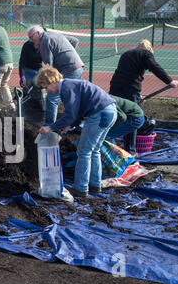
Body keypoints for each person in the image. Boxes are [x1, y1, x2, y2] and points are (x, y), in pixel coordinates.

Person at [36, 65, 117, 198]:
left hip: (99, 114)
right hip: (110, 111)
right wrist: (71, 126)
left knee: (84, 151)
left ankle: (81, 188)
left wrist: (51, 127)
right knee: (94, 150)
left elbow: (71, 114)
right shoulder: (70, 85)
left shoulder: (67, 88)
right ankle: (95, 185)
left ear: (53, 80)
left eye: (46, 87)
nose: (47, 91)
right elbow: (78, 111)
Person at [109, 39, 178, 155]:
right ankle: (130, 151)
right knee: (133, 117)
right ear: (149, 49)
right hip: (130, 89)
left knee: (117, 114)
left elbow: (127, 73)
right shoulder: (146, 53)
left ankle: (111, 143)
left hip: (116, 86)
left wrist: (137, 95)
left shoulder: (127, 53)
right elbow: (155, 67)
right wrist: (169, 81)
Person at [27, 25, 84, 126]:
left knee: (52, 98)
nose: (31, 40)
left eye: (31, 37)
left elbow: (49, 67)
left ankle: (50, 125)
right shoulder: (54, 34)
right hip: (78, 66)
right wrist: (67, 54)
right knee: (71, 96)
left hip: (69, 69)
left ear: (38, 34)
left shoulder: (44, 41)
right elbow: (74, 41)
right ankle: (76, 124)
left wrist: (39, 81)